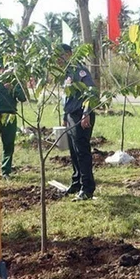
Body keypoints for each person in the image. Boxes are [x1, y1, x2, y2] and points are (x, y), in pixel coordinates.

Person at [59, 44, 97, 201]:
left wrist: (86, 113)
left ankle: (87, 188)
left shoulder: (79, 71)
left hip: (81, 115)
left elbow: (91, 92)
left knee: (82, 152)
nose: (58, 60)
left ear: (69, 54)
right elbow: (66, 97)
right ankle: (76, 182)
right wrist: (64, 115)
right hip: (71, 115)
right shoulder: (66, 74)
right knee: (73, 152)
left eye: (60, 56)